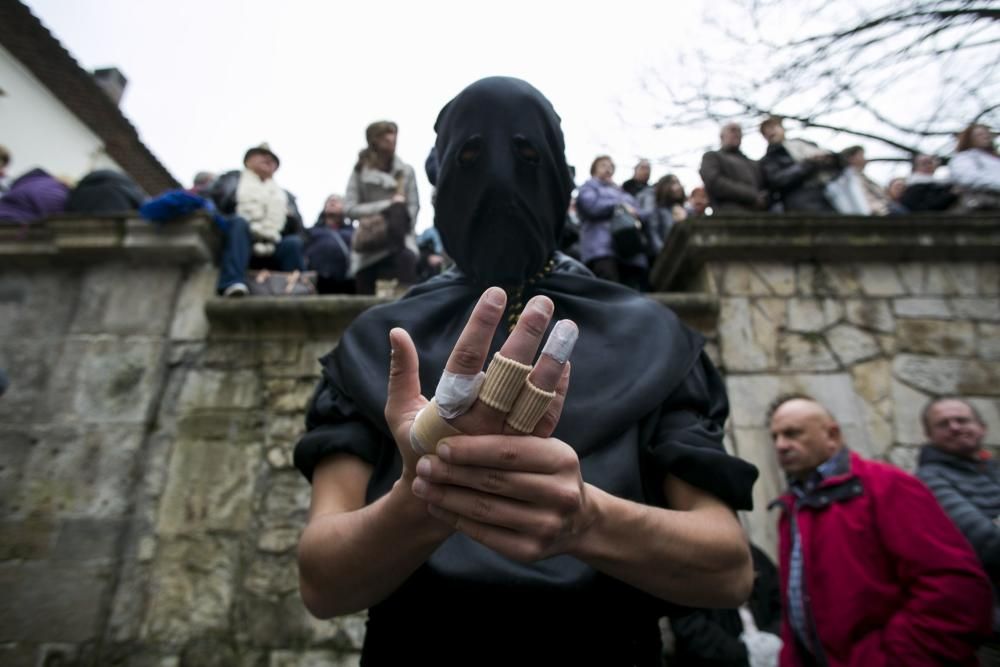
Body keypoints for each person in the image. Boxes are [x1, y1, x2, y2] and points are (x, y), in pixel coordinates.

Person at [294, 76, 758, 666]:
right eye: (469, 157)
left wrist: (589, 519)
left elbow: (727, 568)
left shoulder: (655, 337)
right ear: (439, 181)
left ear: (560, 177)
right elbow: (323, 582)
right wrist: (420, 500)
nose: (498, 181)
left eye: (527, 156)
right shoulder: (378, 344)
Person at [768, 395, 991, 666]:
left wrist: (890, 658)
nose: (781, 445)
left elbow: (955, 588)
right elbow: (798, 611)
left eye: (792, 433)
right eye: (775, 437)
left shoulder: (887, 486)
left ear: (832, 434)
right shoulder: (792, 509)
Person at [916, 398, 1000, 631]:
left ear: (982, 427)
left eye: (962, 420)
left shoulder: (994, 470)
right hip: (987, 621)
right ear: (929, 435)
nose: (955, 427)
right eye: (943, 424)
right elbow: (987, 542)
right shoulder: (928, 481)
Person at [209, 143, 305, 297]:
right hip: (240, 242)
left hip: (273, 244)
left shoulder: (284, 195)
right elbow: (214, 202)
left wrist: (290, 219)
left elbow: (299, 229)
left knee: (293, 243)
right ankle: (232, 283)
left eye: (273, 159)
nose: (268, 159)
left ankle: (296, 290)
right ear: (247, 161)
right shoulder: (232, 179)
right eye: (261, 154)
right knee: (239, 223)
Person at [344, 120, 420, 295]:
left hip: (401, 239)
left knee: (406, 261)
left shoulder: (406, 171)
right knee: (364, 294)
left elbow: (414, 207)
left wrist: (398, 214)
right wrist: (388, 205)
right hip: (370, 240)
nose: (391, 138)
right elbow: (350, 208)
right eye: (385, 134)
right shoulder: (359, 171)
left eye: (393, 133)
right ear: (374, 140)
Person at [576, 155, 650, 290]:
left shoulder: (622, 192)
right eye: (603, 165)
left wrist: (635, 213)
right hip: (601, 250)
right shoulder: (588, 187)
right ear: (594, 169)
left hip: (627, 250)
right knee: (607, 290)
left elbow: (642, 214)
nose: (608, 169)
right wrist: (619, 206)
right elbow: (592, 206)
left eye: (610, 166)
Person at [758, 116, 839, 213]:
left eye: (773, 127)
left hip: (826, 195)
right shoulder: (769, 159)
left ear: (782, 129)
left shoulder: (800, 143)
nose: (771, 131)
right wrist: (808, 164)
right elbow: (777, 180)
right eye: (766, 130)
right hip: (801, 203)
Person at [699, 122, 767, 213]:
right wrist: (752, 195)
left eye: (739, 131)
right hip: (728, 214)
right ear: (722, 136)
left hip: (757, 214)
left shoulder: (753, 164)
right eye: (732, 130)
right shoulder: (712, 157)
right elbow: (714, 181)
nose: (737, 134)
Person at [304, 194, 355, 294]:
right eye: (329, 201)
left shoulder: (353, 233)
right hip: (317, 283)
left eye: (337, 201)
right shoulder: (311, 232)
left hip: (347, 283)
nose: (332, 202)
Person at [949, 123, 1000, 210]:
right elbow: (968, 178)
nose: (985, 136)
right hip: (983, 201)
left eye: (987, 134)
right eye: (980, 134)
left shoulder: (995, 158)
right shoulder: (964, 157)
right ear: (969, 138)